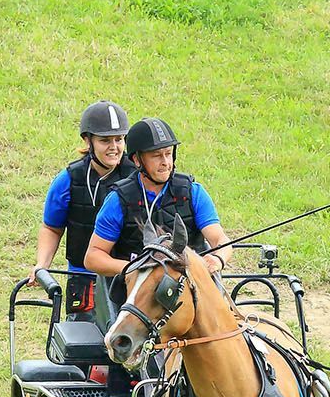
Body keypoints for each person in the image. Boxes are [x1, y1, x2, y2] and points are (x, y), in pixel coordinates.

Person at [83, 117, 232, 296]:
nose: (165, 162)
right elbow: (93, 257)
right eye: (156, 156)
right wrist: (135, 268)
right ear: (137, 160)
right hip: (139, 293)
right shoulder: (117, 200)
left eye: (168, 154)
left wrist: (218, 259)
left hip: (192, 288)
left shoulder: (193, 192)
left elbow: (220, 240)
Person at [34, 101, 137, 317]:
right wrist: (41, 265)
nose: (114, 147)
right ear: (88, 141)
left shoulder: (139, 178)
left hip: (128, 277)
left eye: (119, 139)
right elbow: (52, 228)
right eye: (105, 140)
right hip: (84, 280)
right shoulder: (69, 179)